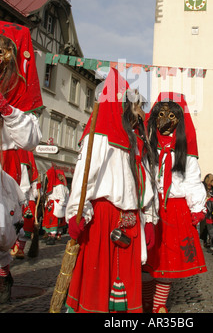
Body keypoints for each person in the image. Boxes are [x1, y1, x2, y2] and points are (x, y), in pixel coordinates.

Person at [65, 68, 157, 313]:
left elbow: (146, 184)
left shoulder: (135, 142)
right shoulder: (98, 136)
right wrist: (77, 212)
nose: (137, 113)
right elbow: (85, 178)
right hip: (102, 219)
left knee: (125, 284)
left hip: (130, 219)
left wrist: (148, 218)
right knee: (98, 280)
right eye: (132, 106)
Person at [142, 92, 207, 313]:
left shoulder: (185, 152)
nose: (166, 120)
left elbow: (192, 179)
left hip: (176, 208)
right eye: (160, 114)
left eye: (171, 115)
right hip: (150, 206)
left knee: (168, 263)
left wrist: (197, 207)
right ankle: (146, 301)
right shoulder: (146, 146)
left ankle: (158, 305)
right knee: (146, 259)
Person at [0, 21, 42, 303]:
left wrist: (6, 109)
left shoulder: (14, 104)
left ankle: (3, 273)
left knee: (1, 228)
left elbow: (30, 137)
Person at [10, 150, 40, 258]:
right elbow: (34, 190)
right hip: (25, 199)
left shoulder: (20, 156)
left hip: (21, 199)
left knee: (18, 225)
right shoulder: (26, 157)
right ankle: (18, 249)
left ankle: (17, 249)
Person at [42, 166, 69, 244]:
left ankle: (52, 237)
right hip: (51, 204)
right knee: (50, 221)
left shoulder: (59, 186)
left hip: (55, 205)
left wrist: (60, 206)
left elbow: (62, 198)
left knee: (53, 221)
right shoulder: (53, 185)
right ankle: (50, 235)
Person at [202, 173, 213, 251]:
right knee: (208, 229)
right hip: (205, 210)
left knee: (211, 230)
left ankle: (212, 244)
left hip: (210, 212)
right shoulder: (204, 187)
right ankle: (208, 242)